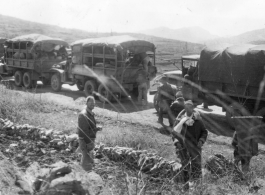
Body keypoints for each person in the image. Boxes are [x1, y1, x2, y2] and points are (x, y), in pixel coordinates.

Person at [171, 100, 208, 190]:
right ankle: (185, 187)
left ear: (192, 108)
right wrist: (177, 143)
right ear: (184, 108)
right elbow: (174, 133)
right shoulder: (180, 120)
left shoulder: (198, 120)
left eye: (190, 107)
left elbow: (204, 132)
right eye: (186, 107)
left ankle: (197, 188)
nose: (188, 109)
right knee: (184, 167)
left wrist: (201, 141)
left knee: (196, 167)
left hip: (195, 147)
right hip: (183, 147)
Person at [76, 96, 102, 171]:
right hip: (86, 141)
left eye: (93, 102)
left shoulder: (90, 113)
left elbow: (89, 128)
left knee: (88, 160)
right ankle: (85, 177)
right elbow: (83, 132)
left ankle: (85, 174)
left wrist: (96, 129)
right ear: (86, 103)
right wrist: (89, 143)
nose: (92, 104)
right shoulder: (83, 114)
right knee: (86, 162)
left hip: (89, 141)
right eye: (90, 102)